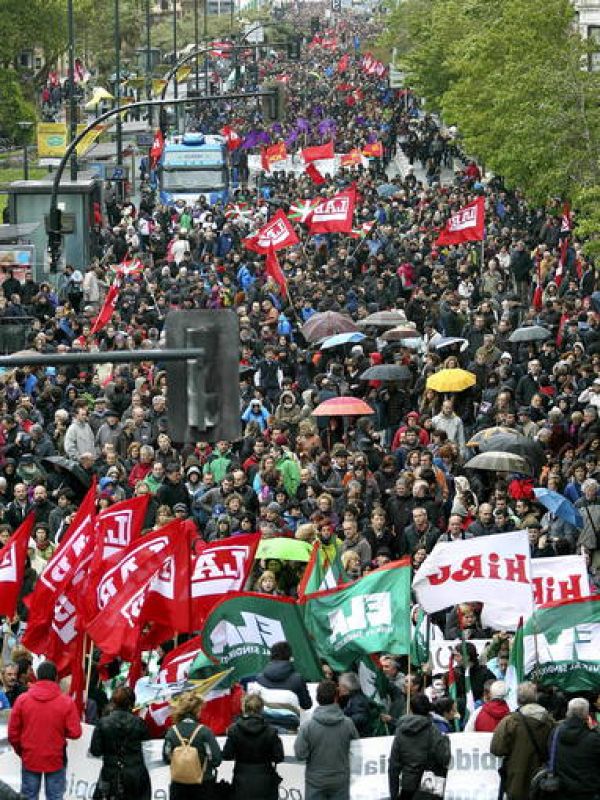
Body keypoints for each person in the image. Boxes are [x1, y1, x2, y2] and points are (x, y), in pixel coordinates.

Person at [8, 660, 82, 800]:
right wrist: (60, 731)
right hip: (56, 757)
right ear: (56, 678)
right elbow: (75, 732)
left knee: (28, 796)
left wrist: (21, 750)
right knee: (55, 796)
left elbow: (13, 734)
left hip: (30, 756)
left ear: (37, 676)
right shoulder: (66, 702)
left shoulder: (22, 700)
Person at [294, 679, 359, 800]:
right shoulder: (348, 724)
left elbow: (300, 754)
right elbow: (357, 751)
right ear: (336, 697)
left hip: (316, 780)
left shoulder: (307, 726)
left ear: (317, 698)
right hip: (340, 778)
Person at [490, 682, 555, 800]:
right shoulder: (549, 721)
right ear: (536, 698)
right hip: (541, 779)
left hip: (516, 780)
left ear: (518, 699)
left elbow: (497, 749)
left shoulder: (510, 721)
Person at [90, 686, 151, 800]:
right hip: (135, 775)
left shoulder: (103, 723)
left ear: (114, 702)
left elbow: (95, 751)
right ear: (132, 703)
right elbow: (147, 746)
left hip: (110, 774)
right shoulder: (140, 723)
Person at [388, 693, 451, 800]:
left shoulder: (400, 730)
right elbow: (444, 759)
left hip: (407, 787)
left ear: (411, 709)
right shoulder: (433, 730)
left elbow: (394, 765)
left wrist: (393, 794)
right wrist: (445, 741)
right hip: (429, 787)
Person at [222, 693, 283, 800]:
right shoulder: (271, 731)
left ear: (244, 707)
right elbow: (279, 757)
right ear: (261, 709)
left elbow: (227, 755)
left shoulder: (234, 730)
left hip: (241, 777)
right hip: (265, 778)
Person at [163, 691, 222, 800]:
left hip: (178, 785)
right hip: (202, 785)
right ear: (197, 710)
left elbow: (166, 758)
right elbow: (216, 759)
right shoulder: (205, 732)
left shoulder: (172, 731)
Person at [248, 641, 312, 732]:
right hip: (289, 727)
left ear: (271, 656)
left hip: (264, 727)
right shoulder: (298, 679)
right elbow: (307, 705)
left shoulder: (259, 678)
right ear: (289, 657)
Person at [553, 697, 600, 800]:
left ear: (568, 712)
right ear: (587, 714)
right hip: (587, 791)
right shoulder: (594, 738)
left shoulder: (555, 733)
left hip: (561, 789)